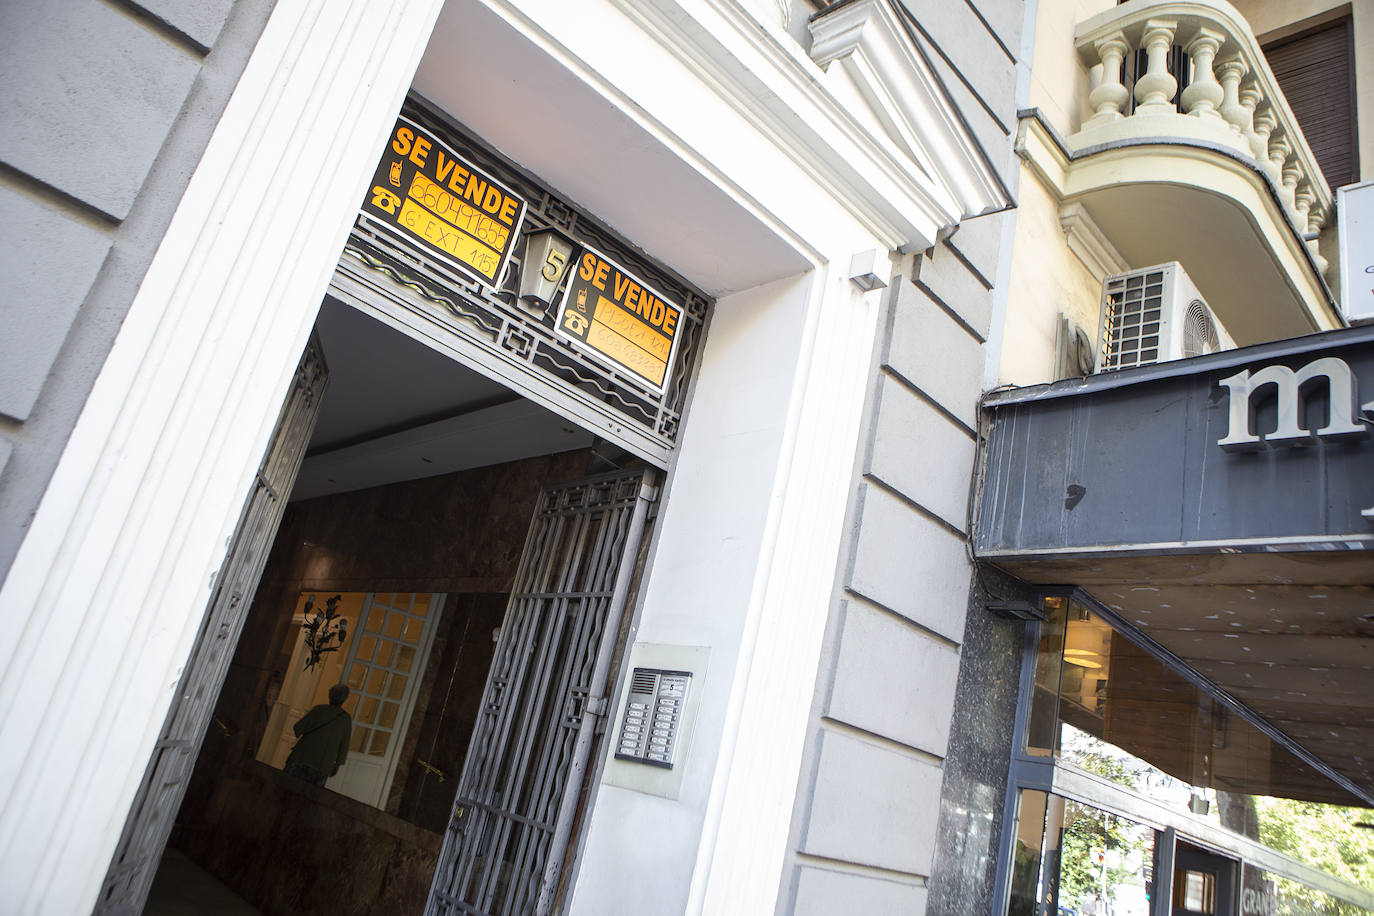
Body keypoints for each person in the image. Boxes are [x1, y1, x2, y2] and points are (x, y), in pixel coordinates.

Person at [284, 683, 353, 786]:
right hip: (322, 765)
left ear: (330, 695)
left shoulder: (318, 710)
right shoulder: (345, 719)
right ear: (344, 699)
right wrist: (337, 764)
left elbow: (297, 728)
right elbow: (344, 745)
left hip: (301, 758)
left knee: (286, 787)